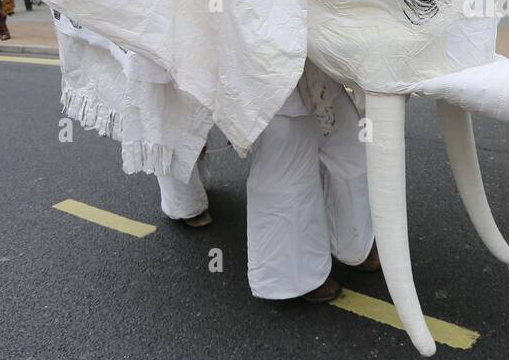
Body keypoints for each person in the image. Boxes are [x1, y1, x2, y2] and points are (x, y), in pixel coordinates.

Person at [156, 65, 380, 302]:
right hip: (273, 74)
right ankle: (293, 275)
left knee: (354, 153)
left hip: (318, 69)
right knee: (289, 175)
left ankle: (355, 245)